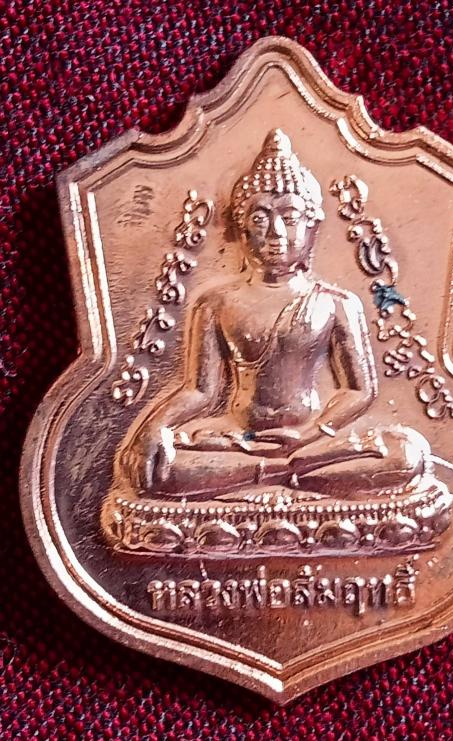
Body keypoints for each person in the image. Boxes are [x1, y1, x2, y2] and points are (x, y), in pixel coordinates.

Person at [120, 129, 431, 502]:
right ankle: (285, 475)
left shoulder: (334, 302)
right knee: (159, 464)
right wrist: (153, 427)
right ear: (240, 228)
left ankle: (269, 474)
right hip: (241, 440)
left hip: (313, 440)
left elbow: (359, 390)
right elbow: (199, 390)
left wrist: (313, 432)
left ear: (312, 225)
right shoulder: (216, 303)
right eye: (260, 218)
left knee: (405, 452)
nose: (276, 232)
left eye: (290, 216)